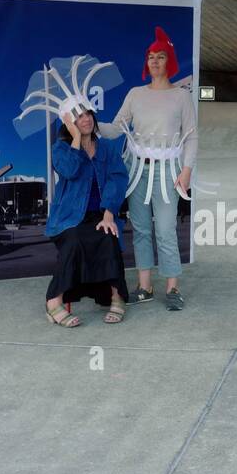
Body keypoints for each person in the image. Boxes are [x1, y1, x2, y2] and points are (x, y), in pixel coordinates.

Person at [97, 27, 197, 311]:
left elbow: (191, 136)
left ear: (170, 61)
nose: (154, 61)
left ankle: (173, 288)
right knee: (140, 228)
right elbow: (117, 128)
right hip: (137, 170)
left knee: (165, 229)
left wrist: (186, 171)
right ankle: (145, 286)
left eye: (160, 56)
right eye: (151, 56)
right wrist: (90, 122)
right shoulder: (135, 94)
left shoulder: (181, 96)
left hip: (169, 172)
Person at [44, 96, 130, 327]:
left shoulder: (107, 149)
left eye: (88, 114)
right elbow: (69, 171)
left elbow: (118, 179)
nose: (86, 119)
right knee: (73, 241)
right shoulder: (61, 149)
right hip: (69, 218)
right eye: (79, 116)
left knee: (108, 236)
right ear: (70, 123)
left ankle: (117, 297)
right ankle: (53, 303)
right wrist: (74, 138)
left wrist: (109, 212)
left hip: (100, 214)